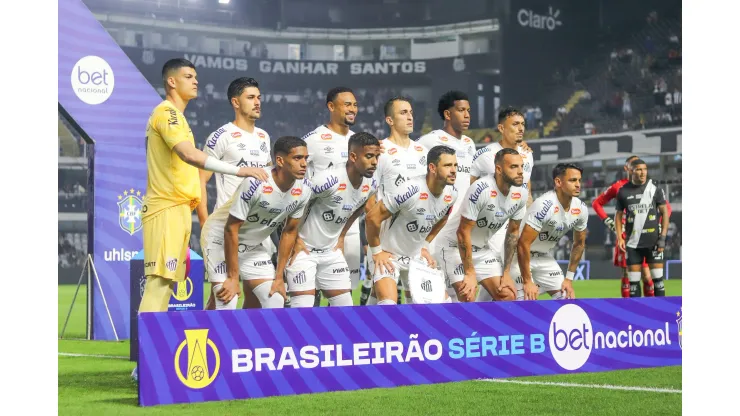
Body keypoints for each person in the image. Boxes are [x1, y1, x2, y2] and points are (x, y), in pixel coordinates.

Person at [132, 58, 266, 382]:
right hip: (165, 207)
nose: (196, 81)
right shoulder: (166, 113)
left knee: (165, 286)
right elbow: (189, 156)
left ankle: (149, 361)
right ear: (171, 83)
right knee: (158, 284)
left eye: (196, 76)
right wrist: (239, 169)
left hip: (179, 210)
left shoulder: (180, 118)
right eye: (188, 76)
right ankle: (144, 364)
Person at [200, 136, 312, 310]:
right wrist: (233, 277)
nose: (304, 163)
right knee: (227, 300)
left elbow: (289, 232)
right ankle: (204, 333)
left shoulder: (304, 189)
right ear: (280, 161)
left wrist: (279, 277)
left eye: (306, 158)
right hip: (220, 239)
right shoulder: (255, 183)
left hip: (252, 246)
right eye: (298, 158)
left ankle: (248, 336)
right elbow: (231, 229)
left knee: (275, 299)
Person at [196, 77, 273, 310]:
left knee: (258, 298)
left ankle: (247, 343)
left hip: (255, 231)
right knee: (225, 300)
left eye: (259, 97)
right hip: (225, 228)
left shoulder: (263, 137)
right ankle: (204, 341)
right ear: (235, 102)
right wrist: (204, 222)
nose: (257, 102)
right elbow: (200, 181)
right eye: (251, 97)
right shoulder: (221, 136)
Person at [285, 132, 381, 307]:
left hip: (331, 252)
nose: (375, 162)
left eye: (377, 156)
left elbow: (360, 204)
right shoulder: (327, 179)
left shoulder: (372, 183)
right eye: (369, 156)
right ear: (353, 156)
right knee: (303, 312)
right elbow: (295, 201)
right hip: (304, 251)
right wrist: (296, 239)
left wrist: (342, 234)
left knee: (345, 312)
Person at [365, 145, 459, 305]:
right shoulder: (409, 190)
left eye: (455, 165)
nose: (454, 170)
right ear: (432, 168)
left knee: (443, 304)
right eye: (447, 165)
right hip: (388, 255)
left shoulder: (451, 194)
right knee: (388, 306)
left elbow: (443, 218)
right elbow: (372, 217)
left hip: (415, 257)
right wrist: (376, 252)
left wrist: (425, 245)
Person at [360, 96, 429, 305]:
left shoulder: (423, 153)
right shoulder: (380, 152)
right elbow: (368, 198)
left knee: (418, 305)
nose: (409, 117)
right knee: (386, 303)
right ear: (389, 120)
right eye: (403, 113)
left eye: (410, 112)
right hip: (387, 246)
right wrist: (375, 247)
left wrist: (425, 243)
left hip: (415, 245)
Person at [301, 87, 361, 305]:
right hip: (315, 230)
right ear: (331, 107)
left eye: (354, 104)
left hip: (349, 229)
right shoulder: (314, 140)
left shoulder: (359, 142)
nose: (353, 109)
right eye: (347, 104)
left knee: (344, 293)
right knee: (311, 293)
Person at [417, 91, 477, 302]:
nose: (467, 115)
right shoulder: (429, 141)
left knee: (461, 295)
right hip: (434, 231)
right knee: (431, 296)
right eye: (461, 110)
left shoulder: (470, 144)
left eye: (468, 110)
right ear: (447, 114)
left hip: (459, 231)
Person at [453, 148, 528, 302]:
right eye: (514, 167)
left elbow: (513, 233)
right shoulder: (481, 189)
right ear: (499, 169)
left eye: (522, 166)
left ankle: (487, 326)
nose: (520, 171)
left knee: (508, 295)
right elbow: (463, 232)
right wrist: (470, 272)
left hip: (481, 250)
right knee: (467, 295)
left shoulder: (521, 193)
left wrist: (506, 273)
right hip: (455, 249)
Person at [592, 155, 672, 297]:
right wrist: (608, 222)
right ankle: (630, 310)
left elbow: (667, 209)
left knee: (648, 276)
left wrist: (657, 226)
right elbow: (596, 203)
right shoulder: (619, 187)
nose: (640, 170)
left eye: (642, 167)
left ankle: (651, 310)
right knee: (627, 277)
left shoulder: (651, 187)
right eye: (634, 165)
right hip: (628, 237)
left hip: (649, 237)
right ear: (627, 168)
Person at [517, 163, 589, 300]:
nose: (578, 184)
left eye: (579, 180)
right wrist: (527, 281)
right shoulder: (544, 205)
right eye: (573, 180)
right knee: (525, 302)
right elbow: (523, 244)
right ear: (558, 182)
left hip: (544, 257)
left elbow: (579, 244)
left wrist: (568, 279)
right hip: (520, 257)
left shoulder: (581, 209)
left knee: (567, 297)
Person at [615, 159, 670, 297]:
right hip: (633, 244)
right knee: (633, 284)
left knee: (658, 281)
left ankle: (660, 315)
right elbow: (618, 216)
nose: (642, 172)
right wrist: (619, 238)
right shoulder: (623, 192)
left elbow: (664, 212)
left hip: (653, 243)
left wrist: (662, 238)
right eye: (639, 169)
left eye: (644, 169)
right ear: (631, 171)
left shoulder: (655, 189)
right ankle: (636, 316)